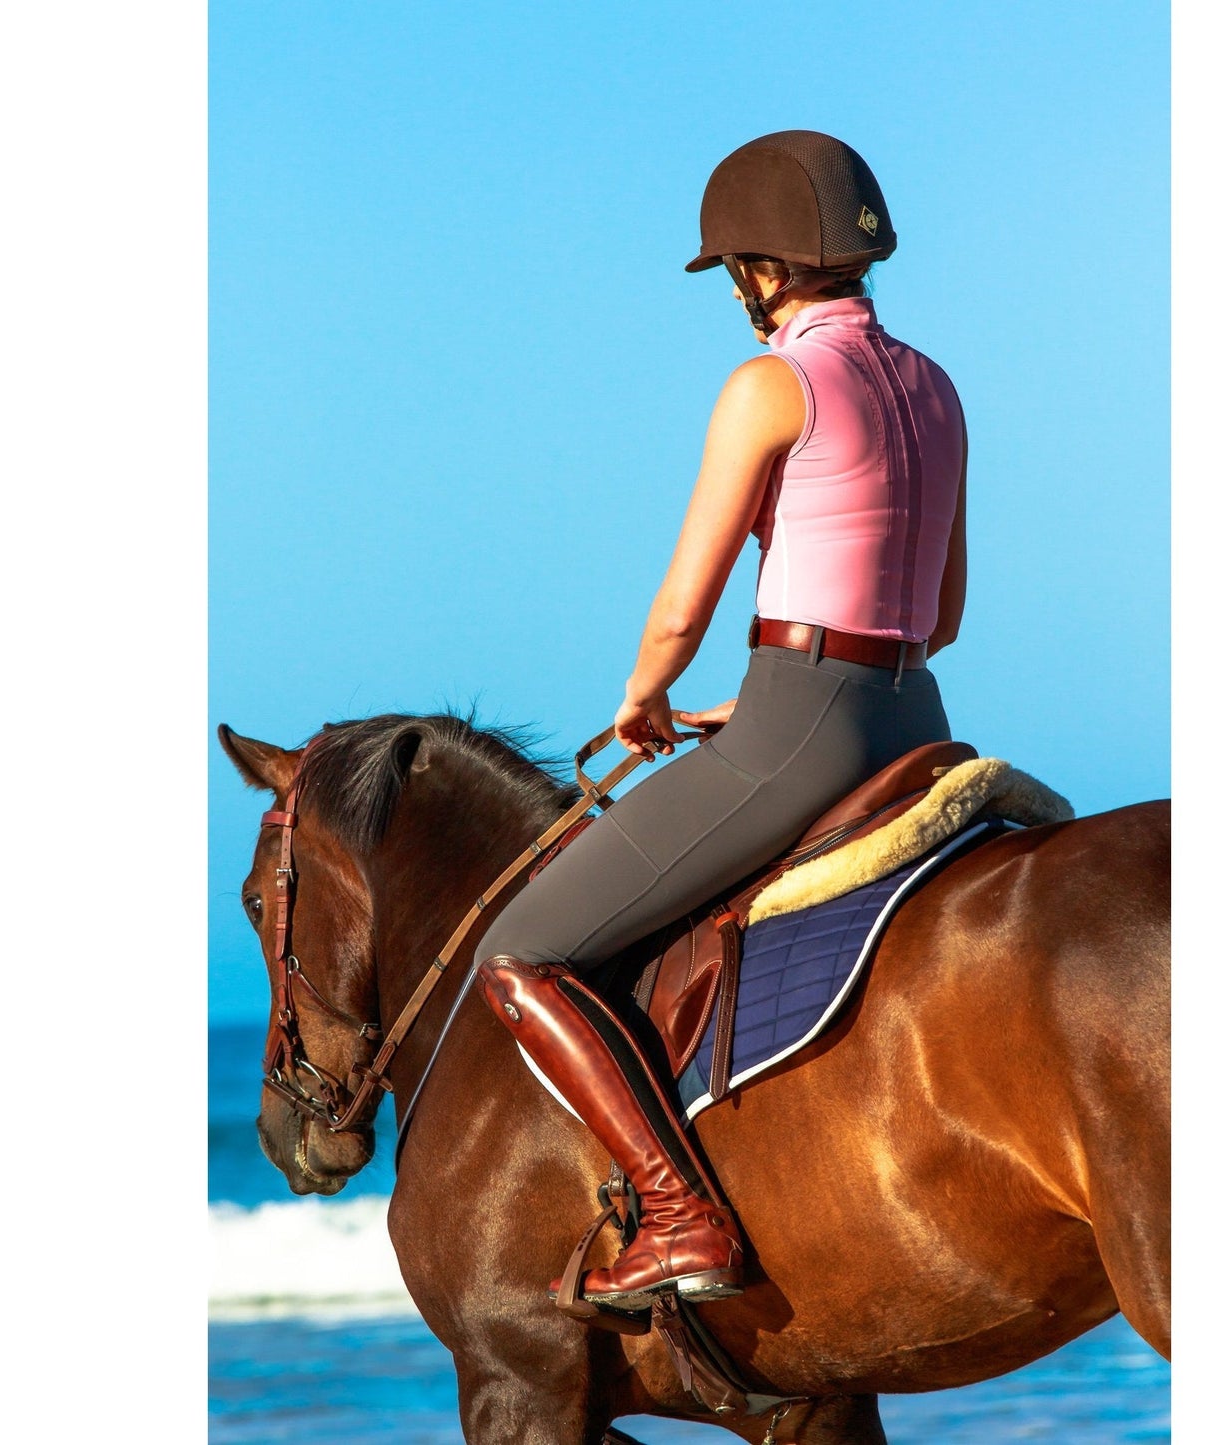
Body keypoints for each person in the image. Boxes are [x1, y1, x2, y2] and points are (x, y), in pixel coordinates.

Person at [475, 130, 968, 1309]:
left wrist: (644, 700)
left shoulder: (769, 384)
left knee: (518, 952)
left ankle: (678, 1212)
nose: (738, 294)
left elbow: (679, 607)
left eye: (737, 269)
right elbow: (939, 613)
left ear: (762, 266)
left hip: (803, 723)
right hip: (917, 717)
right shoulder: (934, 386)